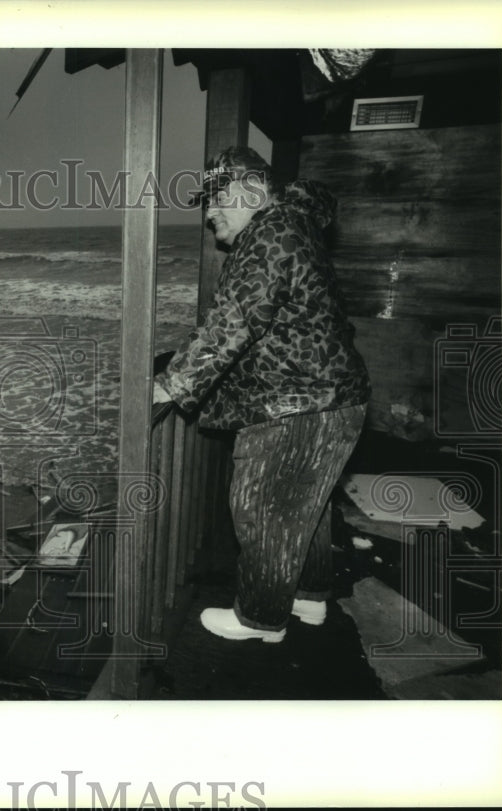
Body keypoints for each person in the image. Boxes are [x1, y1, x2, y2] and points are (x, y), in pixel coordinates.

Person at [153, 146, 371, 643]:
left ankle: (260, 618)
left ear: (252, 190)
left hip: (298, 403)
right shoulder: (296, 225)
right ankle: (309, 599)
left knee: (263, 508)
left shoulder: (268, 233)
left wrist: (170, 384)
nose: (209, 213)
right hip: (333, 397)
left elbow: (234, 321)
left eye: (217, 197)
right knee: (304, 510)